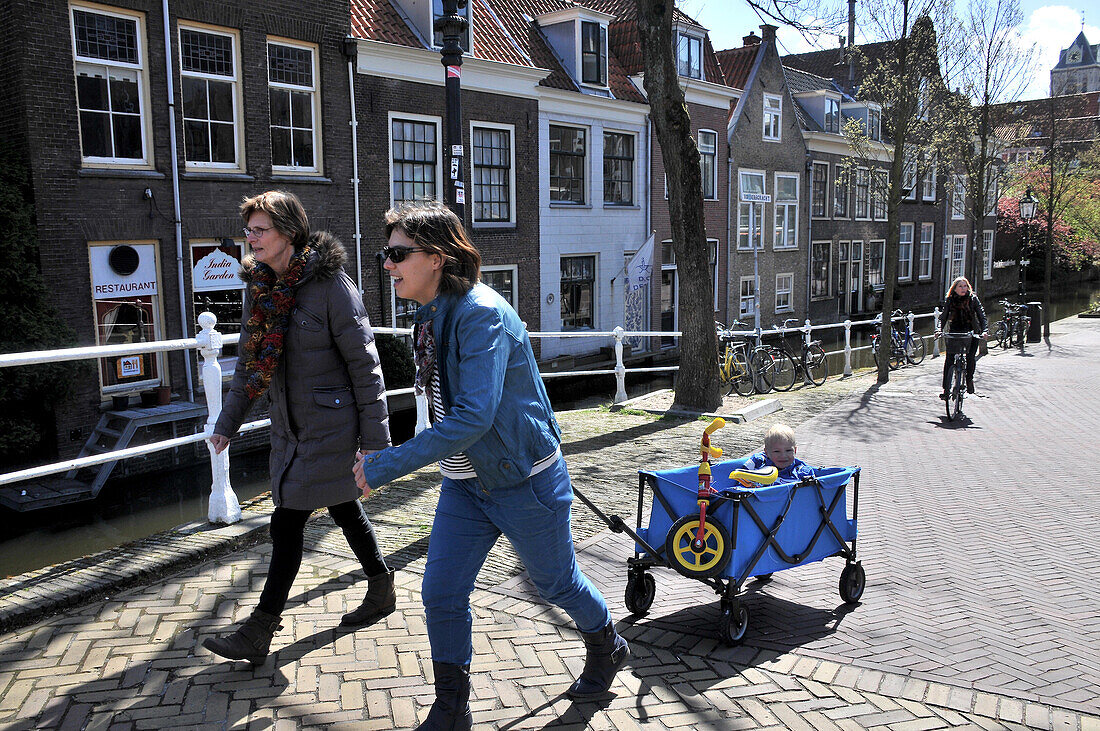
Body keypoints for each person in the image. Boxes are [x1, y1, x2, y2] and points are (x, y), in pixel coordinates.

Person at [353, 200, 628, 730]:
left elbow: (474, 416)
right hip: (464, 483)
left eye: (396, 254)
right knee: (440, 591)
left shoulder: (481, 313)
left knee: (558, 585)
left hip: (520, 480)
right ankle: (452, 708)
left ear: (435, 256)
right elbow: (434, 396)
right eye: (385, 254)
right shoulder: (429, 313)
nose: (386, 265)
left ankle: (607, 643)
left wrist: (390, 464)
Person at [203, 190, 393, 666]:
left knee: (285, 521)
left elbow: (366, 368)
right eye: (249, 229)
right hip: (288, 426)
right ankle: (382, 586)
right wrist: (228, 422)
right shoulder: (259, 289)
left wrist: (375, 447)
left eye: (260, 230)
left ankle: (260, 629)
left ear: (288, 233)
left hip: (332, 425)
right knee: (343, 506)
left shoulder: (332, 286)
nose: (250, 238)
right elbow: (251, 363)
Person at [936, 276, 988, 400]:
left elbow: (982, 316)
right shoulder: (950, 300)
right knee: (949, 359)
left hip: (971, 332)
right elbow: (943, 317)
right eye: (960, 286)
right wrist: (939, 329)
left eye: (965, 286)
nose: (963, 288)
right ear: (954, 289)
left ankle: (969, 379)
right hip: (955, 332)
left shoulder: (973, 299)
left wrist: (984, 330)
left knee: (970, 357)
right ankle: (946, 389)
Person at [744, 423, 815, 481]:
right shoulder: (758, 463)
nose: (783, 455)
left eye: (788, 450)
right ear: (767, 453)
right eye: (777, 451)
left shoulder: (802, 472)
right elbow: (740, 478)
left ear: (795, 450)